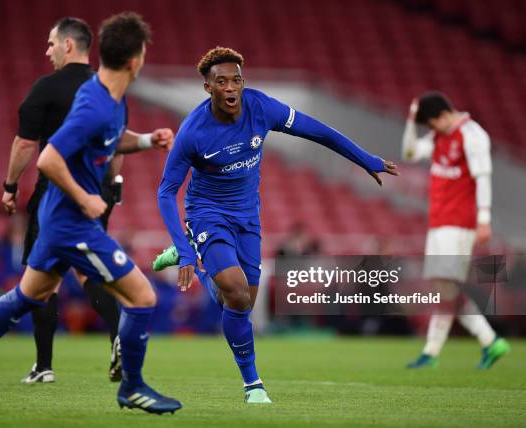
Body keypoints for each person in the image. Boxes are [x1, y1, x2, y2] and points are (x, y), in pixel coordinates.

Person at [0, 12, 182, 414]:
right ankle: (132, 388)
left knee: (26, 296)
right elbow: (48, 159)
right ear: (136, 60)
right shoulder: (95, 103)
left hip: (54, 220)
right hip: (72, 223)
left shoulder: (110, 100)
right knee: (142, 296)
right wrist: (86, 201)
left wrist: (148, 140)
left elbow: (112, 139)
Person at [155, 47, 398, 403]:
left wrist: (365, 159)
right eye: (221, 82)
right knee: (236, 290)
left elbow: (318, 131)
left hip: (247, 215)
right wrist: (184, 237)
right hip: (207, 213)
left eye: (236, 80)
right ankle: (253, 383)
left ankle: (192, 257)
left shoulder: (260, 107)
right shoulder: (193, 132)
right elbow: (165, 192)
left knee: (239, 303)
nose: (230, 87)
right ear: (208, 88)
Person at [1, 16, 124, 385]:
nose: (47, 50)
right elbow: (116, 141)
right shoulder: (108, 88)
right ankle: (120, 342)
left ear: (69, 45)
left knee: (45, 277)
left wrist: (10, 185)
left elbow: (25, 143)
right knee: (91, 270)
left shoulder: (46, 88)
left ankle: (43, 366)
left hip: (56, 190)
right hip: (96, 189)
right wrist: (114, 183)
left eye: (52, 43)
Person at [402, 92, 509, 369]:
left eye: (430, 124)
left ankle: (436, 352)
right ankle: (486, 342)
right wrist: (412, 123)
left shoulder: (472, 135)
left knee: (445, 286)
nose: (432, 130)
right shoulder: (440, 135)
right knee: (444, 288)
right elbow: (410, 153)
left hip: (458, 223)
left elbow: (483, 177)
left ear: (442, 116)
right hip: (438, 221)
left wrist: (483, 219)